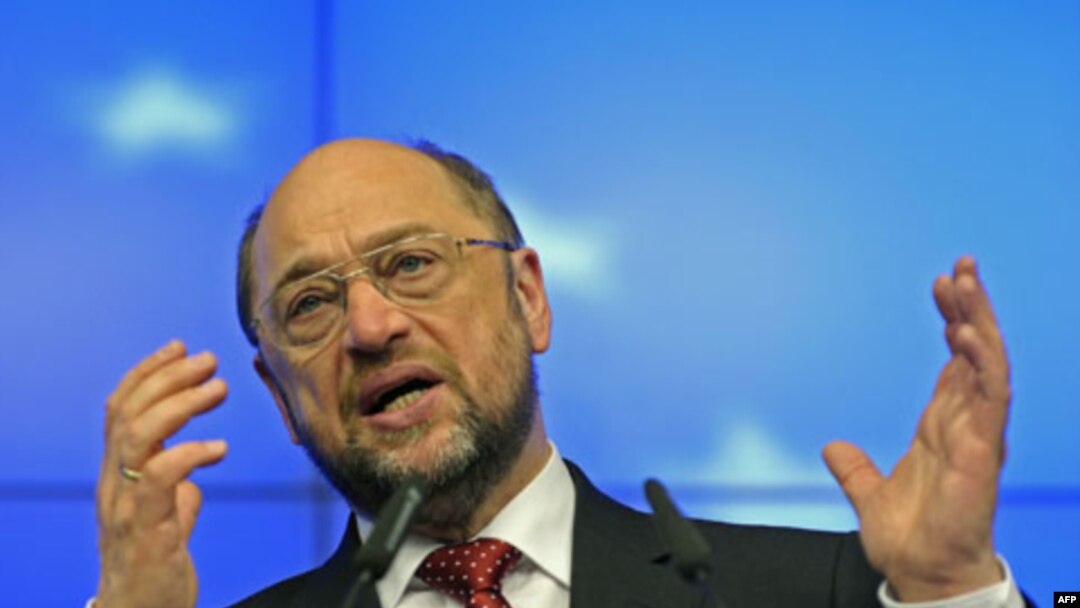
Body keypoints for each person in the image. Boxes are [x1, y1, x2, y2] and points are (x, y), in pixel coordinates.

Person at [93, 138, 1030, 607]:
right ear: (278, 400)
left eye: (412, 263)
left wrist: (952, 590)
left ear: (529, 297)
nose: (371, 325)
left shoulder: (810, 589)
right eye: (310, 304)